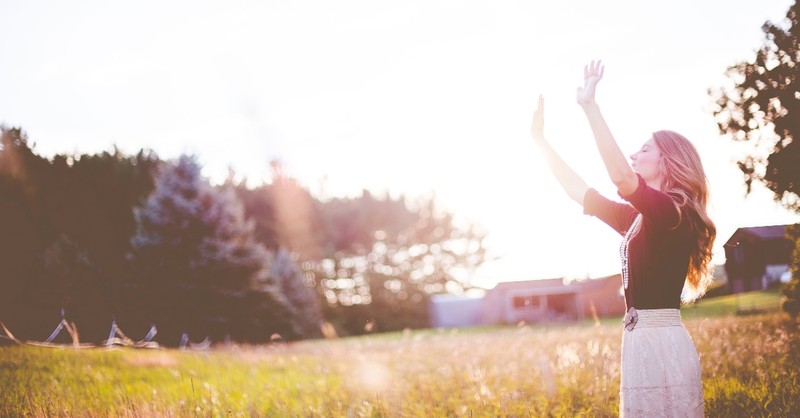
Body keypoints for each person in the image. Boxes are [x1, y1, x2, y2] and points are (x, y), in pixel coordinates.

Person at [530, 60, 715, 417]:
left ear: (669, 162)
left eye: (644, 150)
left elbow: (621, 177)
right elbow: (578, 191)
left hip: (662, 344)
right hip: (638, 342)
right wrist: (540, 142)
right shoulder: (640, 218)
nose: (634, 155)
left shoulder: (674, 214)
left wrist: (590, 107)